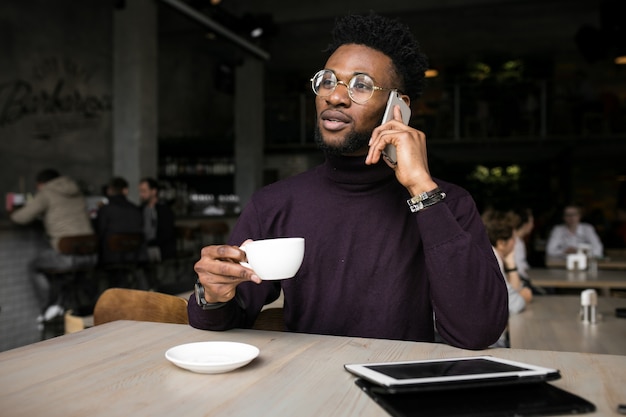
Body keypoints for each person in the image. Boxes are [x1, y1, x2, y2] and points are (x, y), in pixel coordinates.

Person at [189, 13, 508, 350]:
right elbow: (226, 318)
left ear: (397, 106)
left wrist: (421, 189)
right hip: (305, 389)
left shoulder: (447, 204)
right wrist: (212, 295)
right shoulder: (275, 203)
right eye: (328, 80)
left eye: (361, 85)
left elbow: (479, 331)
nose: (335, 96)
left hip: (398, 390)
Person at [9, 168, 95, 321]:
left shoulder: (46, 193)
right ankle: (64, 303)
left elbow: (21, 218)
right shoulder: (77, 191)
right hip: (91, 255)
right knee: (68, 277)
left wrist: (12, 212)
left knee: (34, 266)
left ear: (41, 184)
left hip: (67, 258)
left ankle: (50, 306)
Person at [482, 209, 533, 315]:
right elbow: (513, 304)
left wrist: (510, 262)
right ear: (501, 243)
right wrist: (524, 297)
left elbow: (510, 294)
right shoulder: (492, 261)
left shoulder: (485, 254)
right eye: (513, 239)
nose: (515, 243)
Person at [96, 177, 145, 286]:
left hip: (111, 258)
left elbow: (100, 232)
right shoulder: (136, 209)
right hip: (134, 255)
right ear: (125, 190)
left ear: (109, 191)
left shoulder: (105, 210)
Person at [138, 177, 176, 262]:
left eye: (144, 191)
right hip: (143, 247)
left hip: (160, 247)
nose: (141, 194)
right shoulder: (140, 210)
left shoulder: (164, 210)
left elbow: (167, 233)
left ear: (153, 191)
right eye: (140, 191)